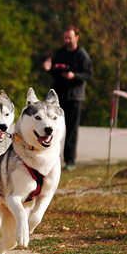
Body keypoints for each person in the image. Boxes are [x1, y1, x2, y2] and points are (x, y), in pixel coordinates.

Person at [43, 25, 93, 171]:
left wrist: (74, 76)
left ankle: (70, 161)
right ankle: (52, 158)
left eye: (69, 37)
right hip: (58, 96)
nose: (66, 40)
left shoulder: (82, 55)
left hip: (74, 97)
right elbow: (55, 70)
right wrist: (49, 68)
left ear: (76, 37)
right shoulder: (60, 52)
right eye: (65, 37)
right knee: (52, 127)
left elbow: (89, 75)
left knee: (71, 130)